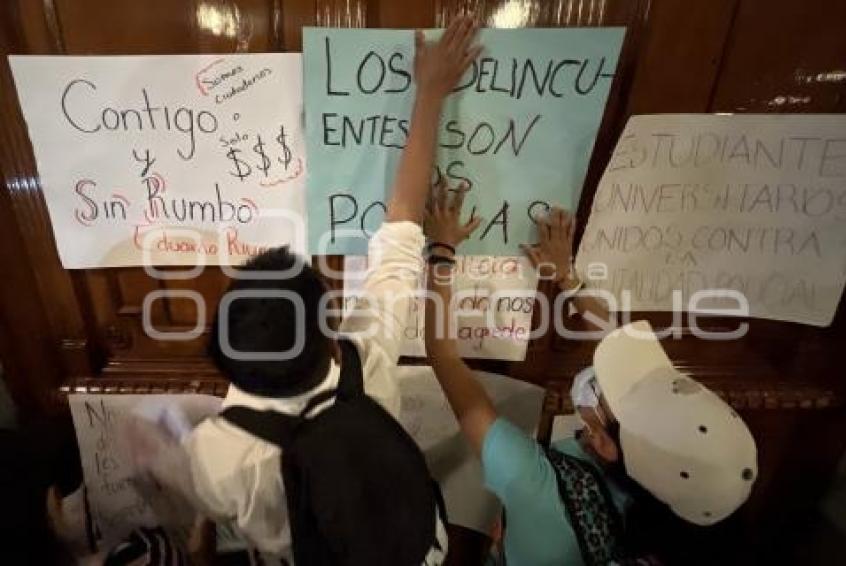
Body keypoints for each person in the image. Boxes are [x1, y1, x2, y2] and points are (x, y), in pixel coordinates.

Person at [181, 17, 482, 564]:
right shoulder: (369, 359)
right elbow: (403, 222)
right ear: (326, 337)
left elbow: (208, 531)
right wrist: (431, 93)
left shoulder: (212, 452)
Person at [422, 186, 759, 565]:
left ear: (605, 444)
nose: (605, 380)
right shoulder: (681, 508)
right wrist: (567, 278)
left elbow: (444, 356)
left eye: (611, 392)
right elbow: (617, 339)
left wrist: (441, 253)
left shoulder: (532, 481)